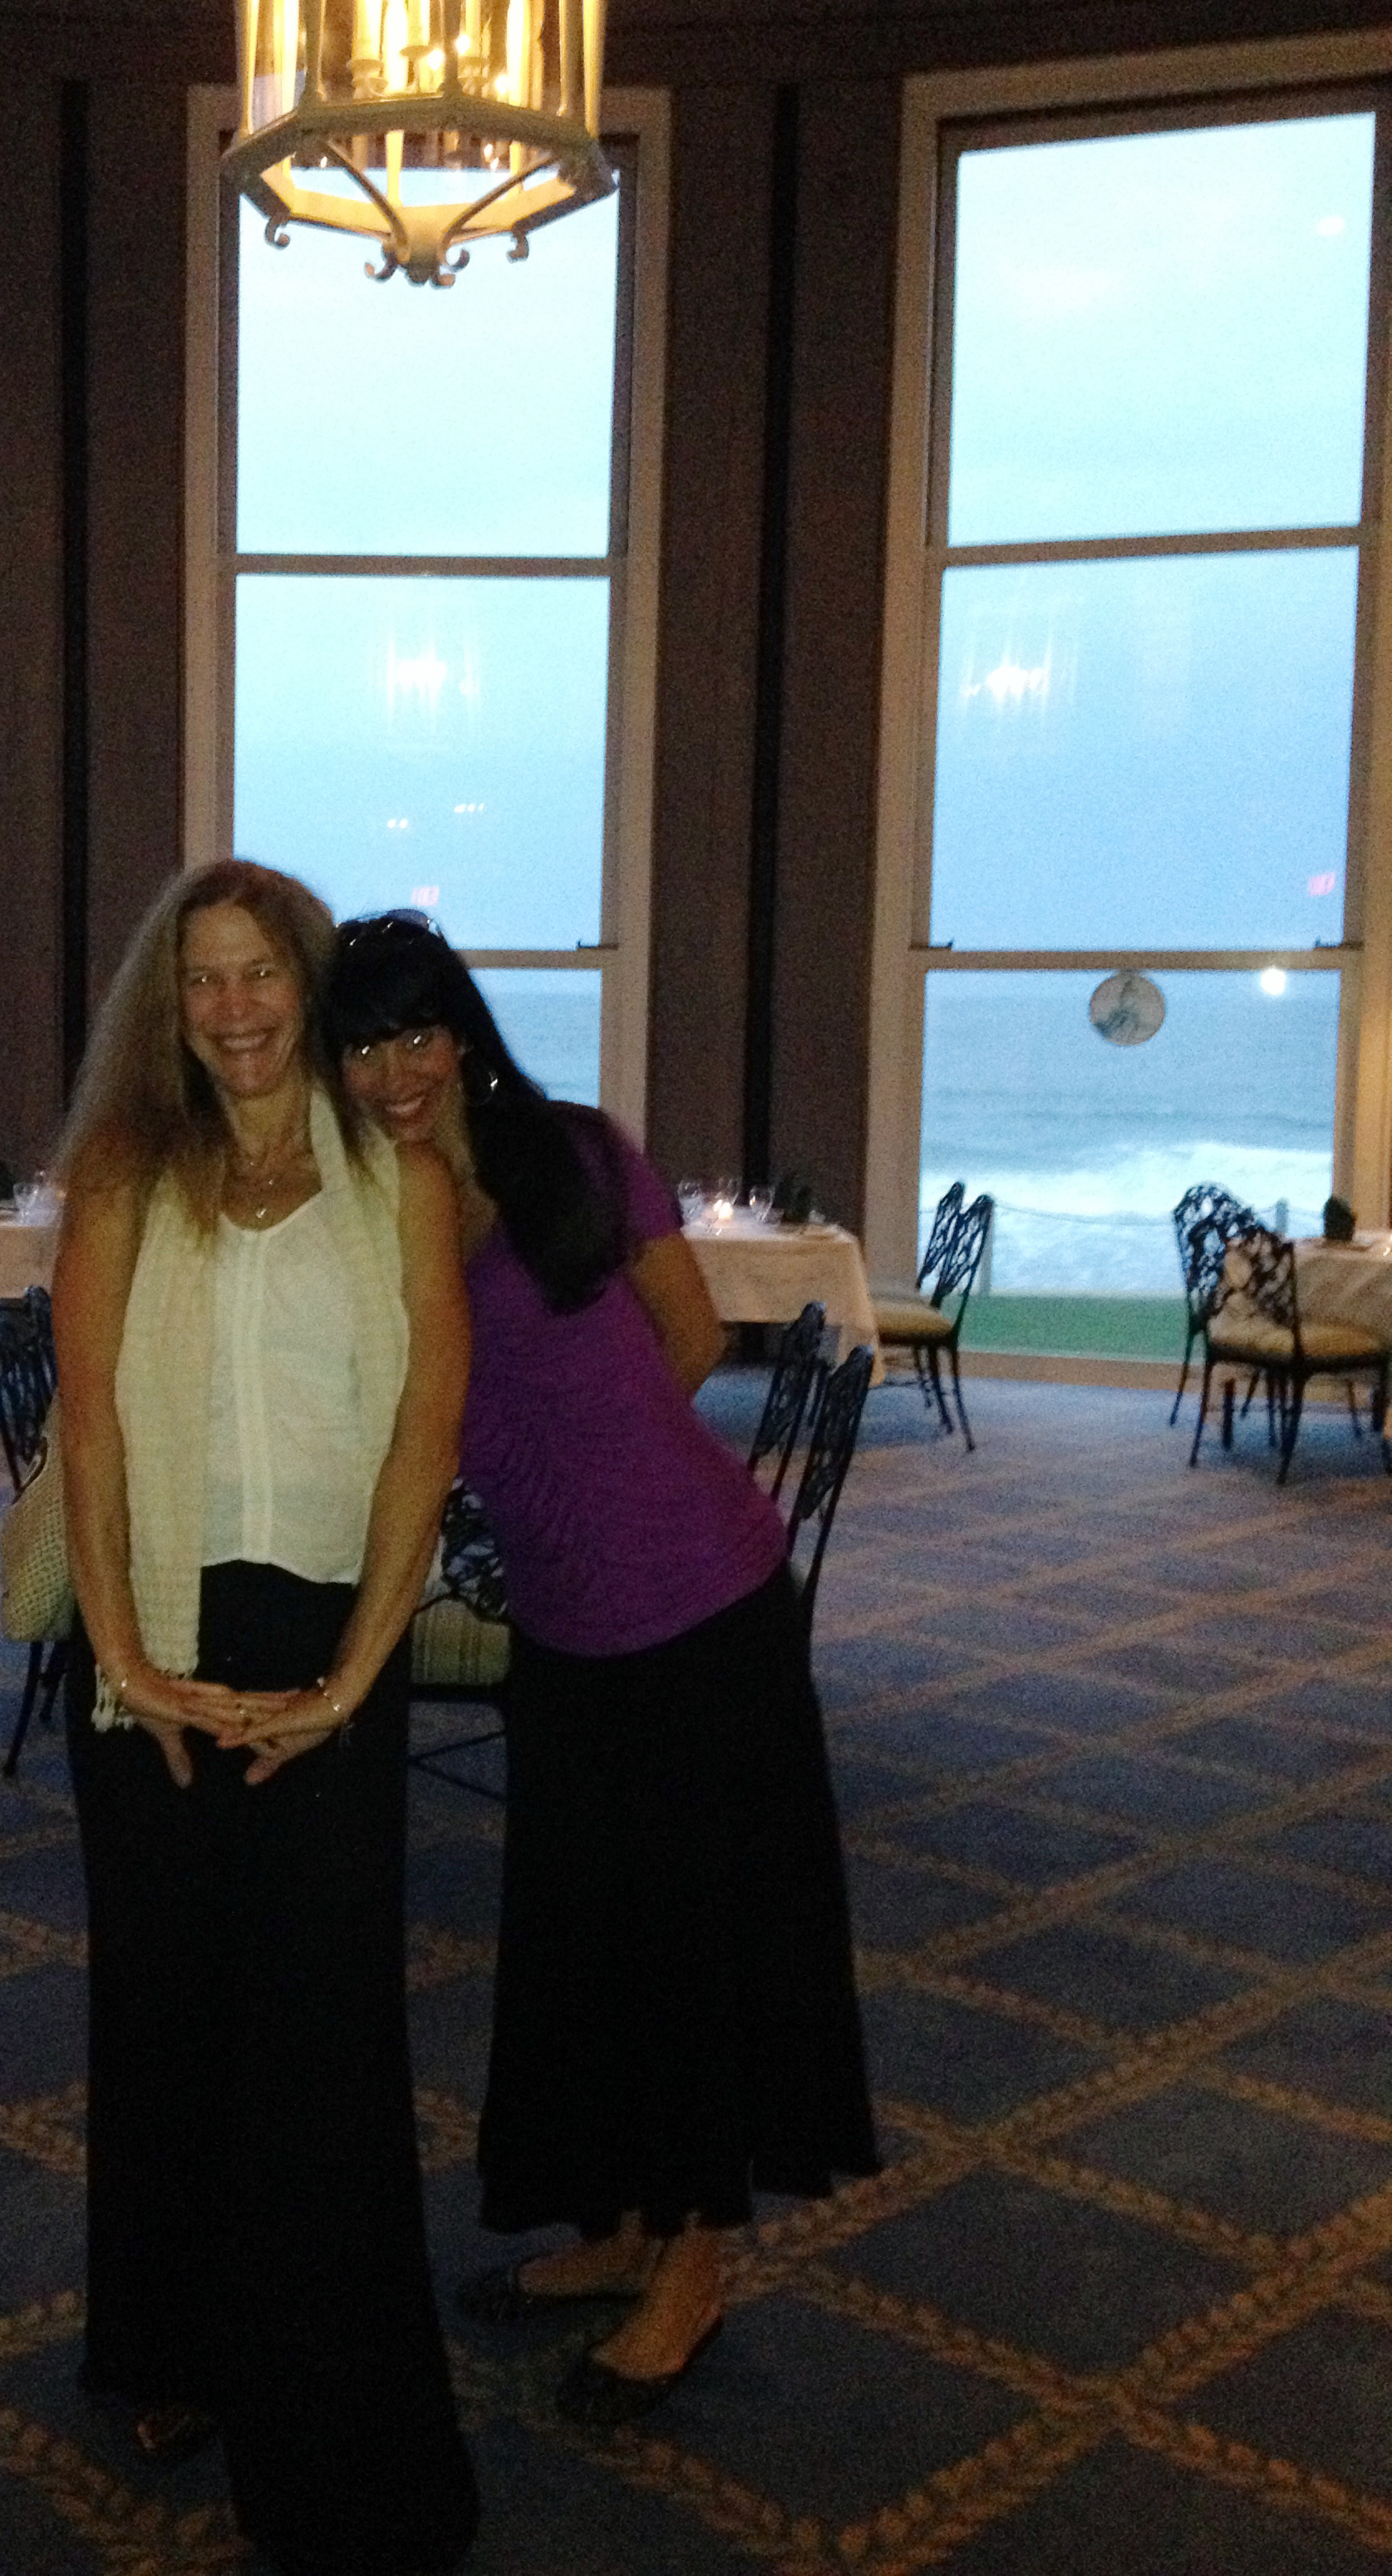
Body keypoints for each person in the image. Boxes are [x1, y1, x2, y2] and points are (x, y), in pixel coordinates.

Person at [322, 912, 878, 2433]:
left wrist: (592, 1474)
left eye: (416, 1030)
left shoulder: (573, 1152)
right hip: (563, 1629)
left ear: (463, 1033)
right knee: (587, 1945)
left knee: (696, 1950)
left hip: (705, 1606)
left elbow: (688, 1339)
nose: (394, 1069)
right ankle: (621, 2227)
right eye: (361, 1044)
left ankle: (693, 2268)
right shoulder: (370, 1207)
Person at [51, 860, 479, 2576]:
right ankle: (165, 2342)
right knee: (165, 2012)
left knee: (320, 2046)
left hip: (327, 1641)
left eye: (259, 976)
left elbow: (427, 1432)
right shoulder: (121, 1174)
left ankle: (336, 2439)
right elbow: (90, 1429)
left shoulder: (399, 1179)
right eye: (200, 981)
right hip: (156, 1627)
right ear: (168, 1007)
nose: (232, 1010)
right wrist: (128, 1664)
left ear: (306, 986)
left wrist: (358, 1682)